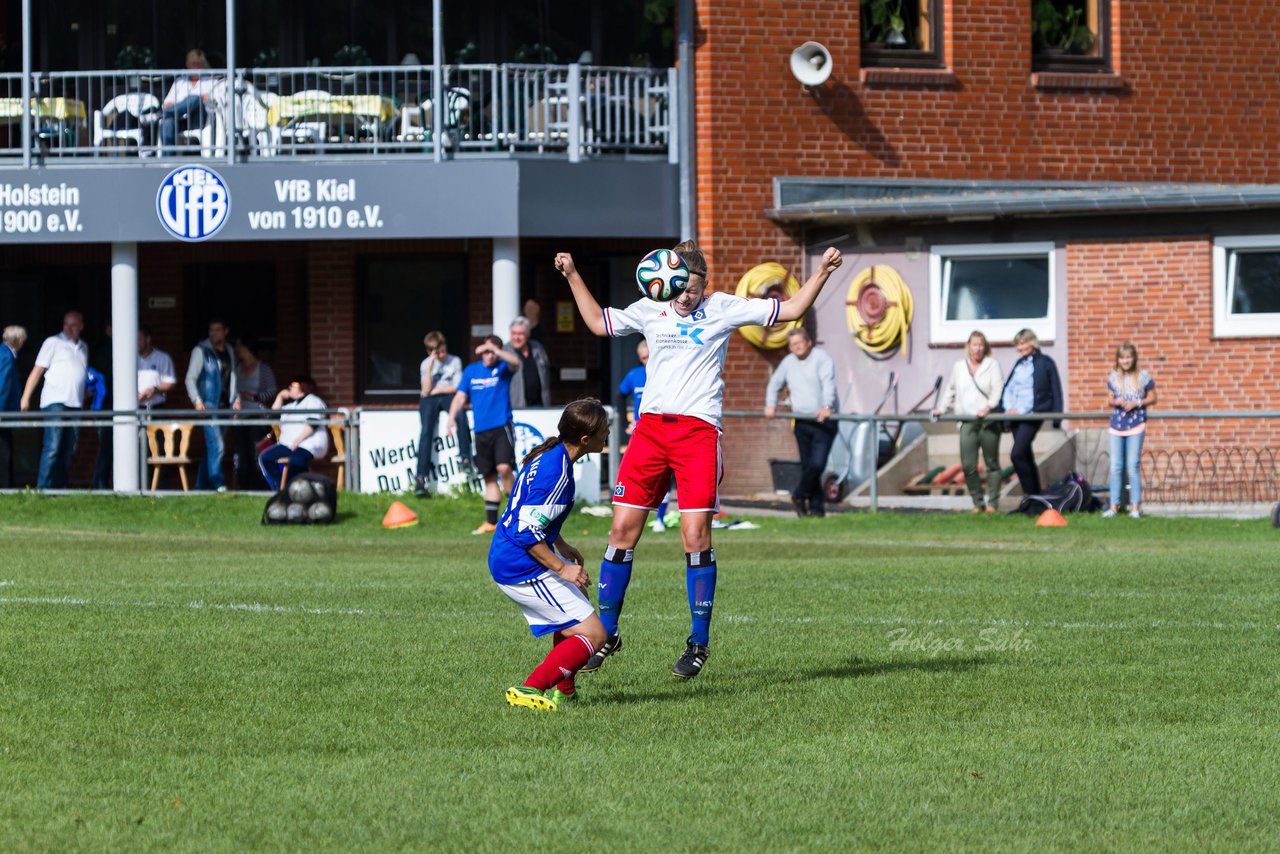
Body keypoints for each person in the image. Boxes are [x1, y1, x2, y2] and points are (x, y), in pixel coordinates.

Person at [555, 240, 843, 679]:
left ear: (706, 285)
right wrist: (573, 273)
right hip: (650, 431)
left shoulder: (723, 307)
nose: (686, 295)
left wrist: (821, 270)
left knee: (694, 535)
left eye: (693, 286)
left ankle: (698, 642)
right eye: (679, 287)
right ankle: (606, 633)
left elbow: (790, 310)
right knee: (620, 530)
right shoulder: (652, 307)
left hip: (697, 434)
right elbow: (597, 322)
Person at [490, 398, 610, 712]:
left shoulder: (551, 456)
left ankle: (566, 692)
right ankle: (530, 687)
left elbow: (533, 514)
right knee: (596, 634)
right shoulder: (555, 471)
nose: (607, 434)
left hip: (513, 554)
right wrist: (562, 568)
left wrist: (561, 543)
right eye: (603, 430)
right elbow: (526, 533)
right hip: (519, 564)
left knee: (571, 618)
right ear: (585, 440)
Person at [448, 336, 522, 535]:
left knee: (504, 468)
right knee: (488, 475)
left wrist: (496, 350)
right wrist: (451, 418)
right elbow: (460, 396)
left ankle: (519, 513)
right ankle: (491, 522)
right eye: (486, 351)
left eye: (492, 351)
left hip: (501, 427)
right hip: (481, 431)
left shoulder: (503, 368)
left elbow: (516, 362)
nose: (489, 355)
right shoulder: (472, 370)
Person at [764, 327, 839, 518]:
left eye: (799, 343)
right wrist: (770, 405)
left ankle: (799, 494)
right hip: (801, 422)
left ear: (808, 343)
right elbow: (775, 384)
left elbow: (828, 383)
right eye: (792, 344)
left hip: (823, 421)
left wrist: (826, 405)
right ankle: (816, 510)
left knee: (817, 465)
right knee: (807, 466)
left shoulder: (822, 359)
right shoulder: (788, 363)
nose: (796, 347)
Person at [933, 330, 1005, 513]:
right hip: (967, 421)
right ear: (968, 346)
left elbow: (998, 389)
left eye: (981, 345)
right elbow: (951, 390)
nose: (978, 348)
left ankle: (993, 504)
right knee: (968, 465)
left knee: (992, 463)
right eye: (974, 344)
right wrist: (942, 408)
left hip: (988, 421)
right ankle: (977, 502)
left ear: (985, 347)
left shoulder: (992, 365)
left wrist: (988, 407)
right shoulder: (959, 367)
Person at [20, 311, 88, 490]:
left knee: (69, 449)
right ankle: (44, 488)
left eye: (73, 325)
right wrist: (26, 397)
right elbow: (37, 371)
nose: (68, 328)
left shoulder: (83, 347)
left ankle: (60, 487)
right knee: (53, 446)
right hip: (55, 402)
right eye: (66, 324)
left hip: (75, 404)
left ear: (81, 326)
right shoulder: (53, 342)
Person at [998, 328, 1063, 497]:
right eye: (1017, 345)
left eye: (1023, 343)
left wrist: (1058, 417)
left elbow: (1056, 389)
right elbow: (1009, 389)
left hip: (1032, 415)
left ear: (1032, 342)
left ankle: (1029, 494)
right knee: (1026, 456)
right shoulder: (1019, 365)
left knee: (1017, 454)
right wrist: (1007, 409)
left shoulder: (1046, 362)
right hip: (1015, 417)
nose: (1020, 348)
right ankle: (1036, 497)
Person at [619, 338, 674, 532]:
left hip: (664, 430)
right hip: (640, 432)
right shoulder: (634, 375)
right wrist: (626, 421)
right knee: (633, 475)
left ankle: (660, 518)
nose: (646, 361)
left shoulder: (669, 373)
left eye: (648, 356)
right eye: (642, 358)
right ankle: (626, 522)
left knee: (664, 476)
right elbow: (621, 394)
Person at [185, 318, 240, 491]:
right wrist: (197, 401)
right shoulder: (201, 351)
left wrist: (236, 398)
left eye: (218, 330)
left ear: (226, 331)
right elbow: (190, 378)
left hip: (226, 405)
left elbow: (233, 377)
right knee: (217, 445)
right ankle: (218, 483)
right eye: (211, 330)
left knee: (212, 448)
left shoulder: (230, 351)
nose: (214, 333)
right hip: (209, 405)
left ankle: (200, 487)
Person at [1104, 342, 1157, 519]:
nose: (1125, 361)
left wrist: (1137, 403)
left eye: (1128, 357)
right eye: (1122, 357)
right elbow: (1109, 398)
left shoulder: (1142, 376)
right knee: (1116, 467)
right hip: (1117, 425)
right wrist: (1116, 402)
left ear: (1134, 358)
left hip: (1136, 424)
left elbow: (1153, 397)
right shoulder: (1114, 377)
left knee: (1132, 466)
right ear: (1118, 359)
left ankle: (1135, 507)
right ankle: (1114, 506)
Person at [414, 331, 468, 497]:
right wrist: (431, 363)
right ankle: (421, 477)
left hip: (448, 395)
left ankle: (465, 458)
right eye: (436, 350)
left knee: (460, 415)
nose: (440, 353)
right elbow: (425, 389)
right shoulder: (425, 364)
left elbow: (458, 387)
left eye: (442, 349)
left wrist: (436, 390)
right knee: (426, 431)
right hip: (429, 400)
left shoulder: (455, 361)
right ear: (430, 351)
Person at [258, 376, 329, 491]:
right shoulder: (290, 406)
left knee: (296, 459)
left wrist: (297, 441)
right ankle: (280, 489)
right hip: (288, 445)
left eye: (293, 385)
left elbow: (313, 424)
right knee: (265, 458)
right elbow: (271, 416)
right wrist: (280, 396)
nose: (289, 387)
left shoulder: (313, 401)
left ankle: (297, 490)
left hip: (307, 444)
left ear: (304, 386)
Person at [231, 338, 277, 491]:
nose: (237, 351)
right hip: (239, 417)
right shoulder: (236, 367)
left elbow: (272, 390)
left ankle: (259, 487)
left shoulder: (263, 368)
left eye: (239, 347)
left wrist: (254, 397)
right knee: (242, 453)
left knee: (255, 451)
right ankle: (244, 487)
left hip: (257, 416)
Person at [159, 49, 216, 152]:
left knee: (195, 98)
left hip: (200, 119)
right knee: (167, 122)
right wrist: (180, 105)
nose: (197, 67)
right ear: (187, 65)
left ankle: (159, 114)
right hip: (180, 119)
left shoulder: (211, 81)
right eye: (194, 64)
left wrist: (202, 99)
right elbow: (167, 104)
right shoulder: (180, 81)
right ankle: (167, 162)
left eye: (200, 64)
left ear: (204, 65)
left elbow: (215, 103)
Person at [0, 325, 27, 488]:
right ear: (20, 341)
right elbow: (3, 385)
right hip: (3, 413)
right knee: (4, 451)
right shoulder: (7, 357)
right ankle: (5, 486)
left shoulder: (4, 353)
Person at [507, 316, 552, 408]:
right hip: (515, 407)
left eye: (520, 334)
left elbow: (547, 371)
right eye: (514, 333)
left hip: (541, 405)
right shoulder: (505, 352)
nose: (516, 337)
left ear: (528, 334)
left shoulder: (537, 348)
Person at [89, 325, 113, 490]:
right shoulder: (103, 352)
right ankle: (100, 482)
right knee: (107, 445)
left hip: (107, 404)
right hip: (105, 405)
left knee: (108, 445)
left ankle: (102, 482)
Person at [137, 325, 177, 409]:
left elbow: (170, 382)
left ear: (148, 339)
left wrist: (153, 390)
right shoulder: (129, 360)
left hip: (156, 407)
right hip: (135, 408)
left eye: (139, 339)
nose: (136, 343)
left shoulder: (163, 358)